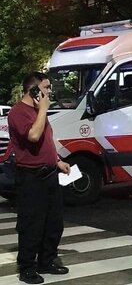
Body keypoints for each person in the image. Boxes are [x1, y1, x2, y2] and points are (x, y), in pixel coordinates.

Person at [8, 72, 71, 284]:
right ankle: (27, 267)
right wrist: (42, 109)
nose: (50, 91)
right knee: (31, 224)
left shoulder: (37, 111)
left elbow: (46, 141)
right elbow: (33, 136)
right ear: (34, 90)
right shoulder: (18, 112)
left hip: (50, 174)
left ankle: (47, 260)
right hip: (31, 177)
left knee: (54, 223)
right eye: (46, 87)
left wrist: (57, 160)